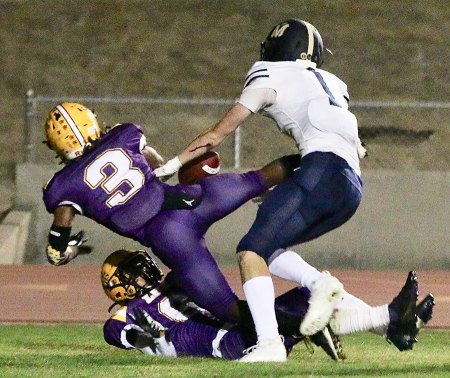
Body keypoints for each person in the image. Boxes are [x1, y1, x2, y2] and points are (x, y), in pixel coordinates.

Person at [153, 18, 369, 361]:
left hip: (319, 168)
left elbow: (218, 133)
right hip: (351, 184)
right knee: (270, 246)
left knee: (252, 250)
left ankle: (273, 339)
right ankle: (375, 315)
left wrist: (173, 164)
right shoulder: (333, 83)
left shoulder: (267, 72)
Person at [42, 101, 301, 327]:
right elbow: (155, 163)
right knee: (258, 178)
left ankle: (304, 325)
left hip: (168, 237)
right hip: (190, 199)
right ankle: (319, 158)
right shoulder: (124, 134)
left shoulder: (63, 186)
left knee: (227, 308)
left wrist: (65, 251)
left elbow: (57, 245)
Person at [101, 249, 435, 360]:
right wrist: (144, 340)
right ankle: (389, 319)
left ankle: (394, 328)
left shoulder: (172, 282)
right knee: (308, 309)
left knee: (313, 295)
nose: (142, 273)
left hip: (236, 329)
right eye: (133, 272)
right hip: (229, 344)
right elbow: (113, 332)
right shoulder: (127, 311)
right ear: (120, 287)